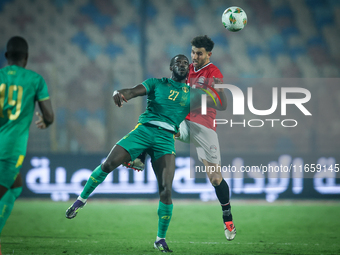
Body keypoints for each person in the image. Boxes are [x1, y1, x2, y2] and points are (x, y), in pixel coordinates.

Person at [65, 54, 227, 253]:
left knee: (166, 190)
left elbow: (219, 103)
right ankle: (81, 200)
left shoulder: (193, 94)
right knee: (108, 164)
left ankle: (160, 239)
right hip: (143, 131)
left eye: (186, 63)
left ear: (189, 69)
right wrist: (120, 92)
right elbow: (132, 92)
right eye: (179, 62)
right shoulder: (156, 83)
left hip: (166, 139)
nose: (183, 65)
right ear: (171, 67)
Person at [126, 35, 236, 241]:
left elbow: (222, 103)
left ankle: (227, 217)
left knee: (215, 178)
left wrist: (200, 94)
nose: (194, 57)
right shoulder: (187, 69)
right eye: (193, 52)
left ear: (208, 55)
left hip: (204, 128)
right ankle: (139, 156)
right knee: (158, 122)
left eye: (199, 53)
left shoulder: (214, 73)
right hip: (182, 123)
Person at [0, 36, 54, 253]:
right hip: (10, 148)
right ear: (26, 57)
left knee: (16, 187)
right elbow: (49, 115)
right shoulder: (35, 79)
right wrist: (45, 120)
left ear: (6, 57)